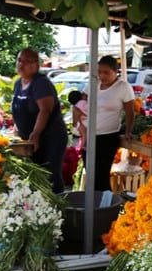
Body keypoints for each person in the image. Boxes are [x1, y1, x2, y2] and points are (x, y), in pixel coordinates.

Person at [11, 48, 68, 193]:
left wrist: (35, 134)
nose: (21, 65)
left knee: (49, 174)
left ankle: (58, 205)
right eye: (19, 60)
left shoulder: (41, 83)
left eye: (26, 61)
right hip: (29, 138)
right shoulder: (18, 83)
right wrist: (17, 130)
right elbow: (17, 110)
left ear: (36, 64)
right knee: (34, 175)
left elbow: (45, 110)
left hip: (50, 138)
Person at [82, 55, 135, 191]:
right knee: (91, 175)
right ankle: (93, 206)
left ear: (116, 72)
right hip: (88, 135)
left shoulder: (123, 87)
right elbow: (80, 104)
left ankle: (105, 206)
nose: (102, 75)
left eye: (106, 72)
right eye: (99, 72)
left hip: (107, 137)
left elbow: (130, 112)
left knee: (101, 176)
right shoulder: (93, 84)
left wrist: (128, 131)